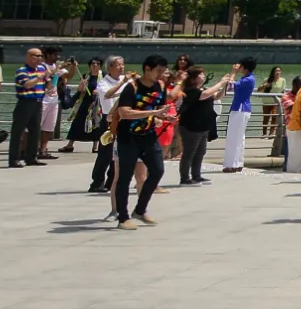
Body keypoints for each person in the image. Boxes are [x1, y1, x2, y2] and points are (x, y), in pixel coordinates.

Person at [106, 55, 171, 228]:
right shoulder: (132, 87)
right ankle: (123, 217)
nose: (161, 75)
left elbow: (158, 109)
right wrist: (151, 114)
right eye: (158, 71)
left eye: (163, 71)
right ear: (147, 69)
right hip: (128, 137)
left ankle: (140, 210)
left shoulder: (161, 86)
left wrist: (164, 116)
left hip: (149, 136)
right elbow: (125, 112)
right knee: (124, 177)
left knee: (157, 170)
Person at [87, 57, 129, 193]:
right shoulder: (104, 82)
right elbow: (107, 95)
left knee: (119, 153)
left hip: (124, 117)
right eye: (118, 65)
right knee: (105, 153)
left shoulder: (127, 80)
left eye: (123, 64)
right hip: (109, 119)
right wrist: (123, 82)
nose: (121, 67)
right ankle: (97, 182)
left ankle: (112, 182)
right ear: (110, 67)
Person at [6, 47, 49, 167]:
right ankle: (14, 159)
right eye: (37, 56)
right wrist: (40, 77)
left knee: (35, 131)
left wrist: (53, 76)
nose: (40, 58)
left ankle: (31, 157)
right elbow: (27, 84)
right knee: (18, 132)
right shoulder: (22, 71)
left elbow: (48, 83)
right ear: (29, 57)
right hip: (25, 103)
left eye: (41, 56)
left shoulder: (41, 69)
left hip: (38, 102)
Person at [175, 69, 217, 185]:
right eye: (200, 74)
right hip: (191, 125)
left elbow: (216, 96)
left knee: (200, 152)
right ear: (193, 78)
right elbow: (204, 95)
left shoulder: (202, 89)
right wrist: (221, 83)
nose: (203, 76)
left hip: (203, 125)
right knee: (189, 152)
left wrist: (224, 86)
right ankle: (184, 178)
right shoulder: (191, 90)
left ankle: (196, 176)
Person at [221, 59, 258, 172]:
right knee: (239, 137)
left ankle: (231, 164)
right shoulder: (249, 78)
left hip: (240, 108)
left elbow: (230, 86)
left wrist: (233, 72)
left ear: (245, 68)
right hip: (242, 108)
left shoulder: (247, 79)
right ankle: (237, 163)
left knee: (233, 137)